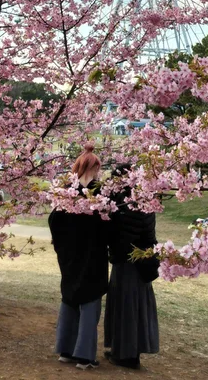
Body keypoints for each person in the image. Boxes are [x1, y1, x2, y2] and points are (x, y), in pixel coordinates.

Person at [49, 142, 109, 371]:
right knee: (90, 302)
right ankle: (84, 356)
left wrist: (62, 247)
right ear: (94, 167)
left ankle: (65, 350)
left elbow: (54, 221)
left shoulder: (66, 190)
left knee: (70, 298)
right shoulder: (101, 193)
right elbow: (108, 225)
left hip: (70, 255)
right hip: (92, 255)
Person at [104, 166, 159, 370]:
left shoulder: (121, 204)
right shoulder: (146, 199)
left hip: (126, 262)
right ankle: (127, 351)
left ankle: (125, 355)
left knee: (125, 308)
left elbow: (116, 235)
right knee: (138, 308)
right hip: (144, 261)